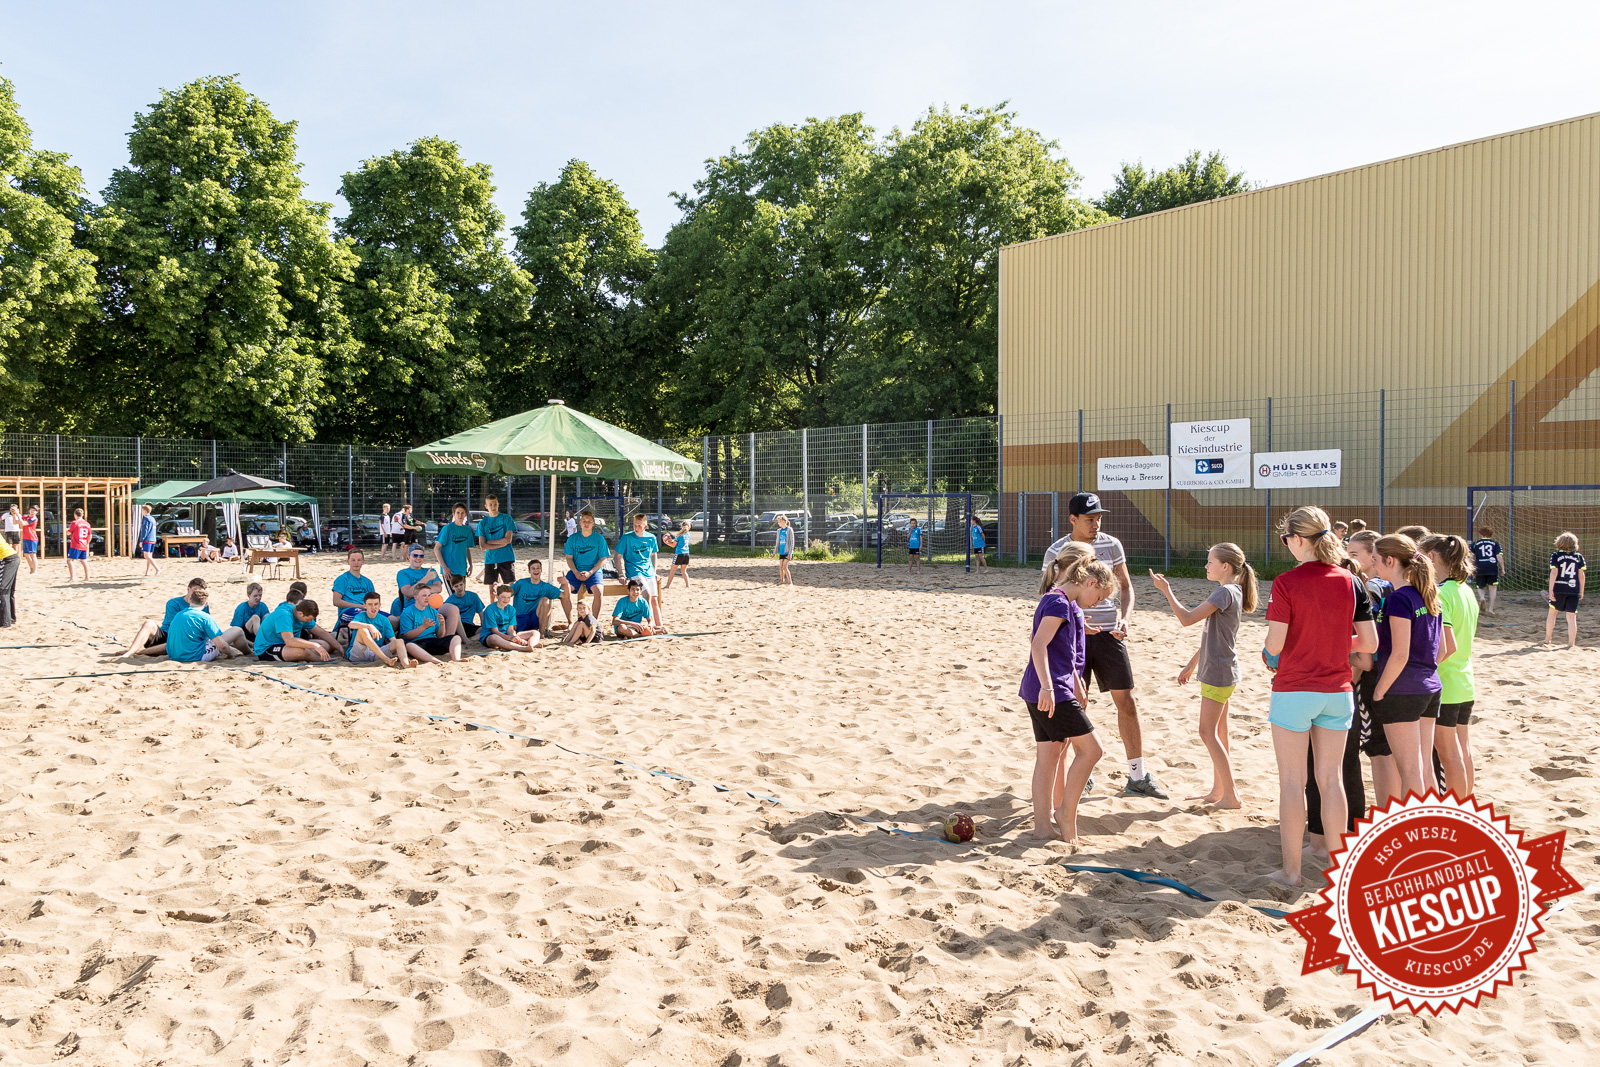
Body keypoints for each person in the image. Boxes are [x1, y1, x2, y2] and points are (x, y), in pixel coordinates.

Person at [1261, 506, 1378, 887]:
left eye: (1286, 539)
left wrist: (1269, 655)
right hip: (1338, 690)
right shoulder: (1351, 579)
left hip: (1296, 688)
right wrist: (1329, 641)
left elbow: (1275, 644)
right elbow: (1370, 643)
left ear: (1297, 539)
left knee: (1293, 783)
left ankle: (1291, 872)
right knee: (1332, 782)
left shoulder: (1287, 582)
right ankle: (1340, 869)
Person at [1041, 492, 1166, 800]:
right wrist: (1077, 623)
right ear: (1072, 519)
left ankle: (1137, 776)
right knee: (1075, 706)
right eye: (1089, 519)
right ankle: (1081, 776)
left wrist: (1125, 619)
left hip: (1110, 634)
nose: (1096, 524)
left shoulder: (1112, 544)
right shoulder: (1059, 551)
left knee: (1127, 701)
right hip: (1074, 637)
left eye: (1098, 518)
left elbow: (1126, 587)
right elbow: (1049, 598)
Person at [1150, 543, 1259, 809]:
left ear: (1226, 566)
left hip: (1219, 673)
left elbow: (1187, 619)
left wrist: (1167, 591)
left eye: (1210, 562)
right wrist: (1190, 665)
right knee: (1220, 734)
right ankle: (1218, 790)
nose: (1206, 566)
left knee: (1207, 733)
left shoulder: (1225, 592)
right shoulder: (1232, 591)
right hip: (1222, 669)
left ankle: (1231, 796)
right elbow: (1213, 635)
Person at [1020, 552, 1113, 843]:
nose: (1097, 603)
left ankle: (1042, 829)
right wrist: (1049, 686)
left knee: (1047, 758)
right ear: (1091, 582)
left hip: (1039, 689)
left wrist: (1072, 680)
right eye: (1099, 597)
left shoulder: (1062, 601)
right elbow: (1038, 645)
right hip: (1050, 692)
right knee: (1092, 751)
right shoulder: (1059, 602)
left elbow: (1063, 649)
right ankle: (1065, 815)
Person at [1369, 532, 1449, 804]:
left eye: (1376, 560)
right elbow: (1441, 649)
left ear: (1391, 560)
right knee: (1425, 766)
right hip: (1430, 686)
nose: (1374, 565)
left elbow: (1400, 653)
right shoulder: (1426, 593)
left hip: (1402, 690)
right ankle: (1434, 827)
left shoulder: (1399, 598)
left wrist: (1379, 691)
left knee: (1410, 772)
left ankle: (1411, 834)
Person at [1343, 531, 1397, 805]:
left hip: (1370, 678)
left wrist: (1351, 678)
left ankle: (1387, 812)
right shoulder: (1388, 585)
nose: (1348, 558)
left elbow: (1363, 654)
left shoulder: (1367, 589)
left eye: (1354, 555)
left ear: (1373, 557)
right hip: (1388, 674)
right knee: (1387, 750)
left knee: (1375, 750)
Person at [1422, 534, 1477, 798]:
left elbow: (1446, 647)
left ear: (1430, 557)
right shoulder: (1465, 590)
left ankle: (1455, 812)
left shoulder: (1441, 593)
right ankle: (1465, 807)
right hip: (1465, 681)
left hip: (1446, 683)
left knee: (1448, 754)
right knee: (1462, 751)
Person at [121, 577, 212, 657]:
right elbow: (173, 626)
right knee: (149, 623)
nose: (197, 593)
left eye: (200, 591)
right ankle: (130, 652)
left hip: (184, 638)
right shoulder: (174, 603)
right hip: (167, 635)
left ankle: (138, 652)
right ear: (188, 589)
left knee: (182, 640)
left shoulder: (204, 605)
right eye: (195, 589)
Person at [166, 589, 250, 662]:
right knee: (237, 630)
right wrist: (231, 654)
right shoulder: (205, 617)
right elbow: (222, 646)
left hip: (174, 656)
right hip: (195, 657)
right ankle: (249, 653)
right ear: (206, 604)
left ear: (190, 599)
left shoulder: (178, 615)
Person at [614, 512, 666, 630]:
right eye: (635, 525)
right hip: (634, 571)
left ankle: (659, 626)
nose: (636, 528)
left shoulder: (651, 538)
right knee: (646, 593)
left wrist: (654, 571)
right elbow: (617, 556)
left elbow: (653, 555)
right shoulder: (627, 537)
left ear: (645, 526)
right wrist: (621, 573)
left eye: (639, 525)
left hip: (648, 571)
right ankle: (650, 624)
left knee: (654, 599)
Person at [390, 545, 456, 633]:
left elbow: (438, 588)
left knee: (453, 609)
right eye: (415, 555)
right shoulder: (403, 573)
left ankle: (448, 639)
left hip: (433, 606)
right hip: (414, 607)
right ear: (408, 556)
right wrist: (427, 579)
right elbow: (408, 592)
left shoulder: (430, 571)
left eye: (421, 556)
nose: (418, 558)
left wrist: (416, 590)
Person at [562, 508, 611, 620]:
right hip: (576, 571)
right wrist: (575, 571)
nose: (586, 523)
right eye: (584, 521)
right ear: (580, 523)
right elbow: (569, 558)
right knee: (563, 591)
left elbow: (603, 559)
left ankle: (594, 621)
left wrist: (590, 572)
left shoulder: (599, 539)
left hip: (593, 571)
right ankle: (570, 621)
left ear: (593, 523)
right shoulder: (573, 538)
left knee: (598, 592)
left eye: (589, 521)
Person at [399, 586, 462, 664]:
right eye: (424, 595)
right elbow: (407, 636)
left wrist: (442, 624)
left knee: (456, 637)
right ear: (416, 597)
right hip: (417, 644)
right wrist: (423, 627)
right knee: (409, 646)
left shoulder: (433, 611)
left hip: (432, 641)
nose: (427, 598)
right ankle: (435, 661)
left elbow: (440, 636)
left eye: (429, 595)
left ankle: (457, 659)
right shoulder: (408, 612)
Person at [254, 597, 328, 663]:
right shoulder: (285, 615)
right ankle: (319, 659)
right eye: (308, 619)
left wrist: (339, 648)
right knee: (302, 651)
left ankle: (300, 658)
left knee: (324, 645)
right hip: (267, 648)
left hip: (284, 644)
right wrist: (315, 647)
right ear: (300, 614)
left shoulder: (298, 612)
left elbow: (321, 632)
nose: (309, 621)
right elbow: (289, 641)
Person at [347, 591, 410, 668]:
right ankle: (386, 659)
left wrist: (399, 652)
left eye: (376, 604)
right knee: (363, 630)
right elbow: (351, 624)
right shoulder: (361, 616)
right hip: (359, 654)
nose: (373, 607)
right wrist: (369, 626)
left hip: (377, 653)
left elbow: (393, 640)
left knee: (399, 641)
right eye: (370, 604)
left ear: (379, 605)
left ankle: (406, 664)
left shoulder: (384, 620)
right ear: (365, 606)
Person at [1547, 531, 1585, 648]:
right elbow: (1581, 575)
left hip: (1559, 588)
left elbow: (1554, 573)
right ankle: (1571, 643)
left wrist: (1550, 590)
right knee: (1571, 617)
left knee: (1552, 613)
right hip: (1573, 590)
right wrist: (1581, 591)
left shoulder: (1556, 555)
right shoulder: (1578, 557)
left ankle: (1547, 639)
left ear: (1559, 543)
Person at [330, 548, 377, 641]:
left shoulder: (367, 582)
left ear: (363, 562)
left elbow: (374, 600)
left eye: (359, 560)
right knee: (364, 616)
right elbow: (336, 601)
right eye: (353, 560)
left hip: (366, 609)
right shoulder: (342, 579)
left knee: (392, 619)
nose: (356, 563)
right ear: (348, 562)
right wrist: (360, 606)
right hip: (348, 611)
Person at [513, 558, 563, 635]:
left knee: (546, 600)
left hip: (535, 618)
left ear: (541, 570)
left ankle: (542, 633)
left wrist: (566, 583)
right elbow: (506, 594)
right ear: (529, 571)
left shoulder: (546, 586)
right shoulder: (521, 583)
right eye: (533, 568)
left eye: (538, 568)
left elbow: (564, 595)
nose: (536, 570)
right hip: (520, 618)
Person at [476, 495, 517, 590]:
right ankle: (492, 605)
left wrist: (491, 542)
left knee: (512, 587)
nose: (493, 507)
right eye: (490, 505)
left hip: (506, 557)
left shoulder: (506, 518)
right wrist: (501, 544)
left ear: (498, 504)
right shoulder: (483, 523)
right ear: (486, 506)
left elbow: (508, 539)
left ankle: (515, 605)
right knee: (492, 590)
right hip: (491, 559)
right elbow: (482, 546)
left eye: (495, 504)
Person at [482, 584, 539, 652]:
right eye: (503, 597)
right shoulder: (490, 610)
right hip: (491, 635)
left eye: (508, 597)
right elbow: (495, 631)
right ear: (497, 596)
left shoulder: (511, 609)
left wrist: (514, 636)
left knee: (535, 632)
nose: (506, 600)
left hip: (507, 634)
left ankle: (531, 645)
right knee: (494, 638)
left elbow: (510, 629)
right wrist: (509, 638)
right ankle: (522, 647)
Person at [434, 502, 475, 587]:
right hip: (450, 570)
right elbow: (436, 548)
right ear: (453, 514)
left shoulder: (467, 529)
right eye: (458, 513)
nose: (460, 515)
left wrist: (470, 565)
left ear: (465, 514)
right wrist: (444, 568)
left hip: (462, 568)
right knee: (453, 597)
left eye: (462, 513)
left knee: (461, 596)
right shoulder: (448, 528)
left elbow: (466, 549)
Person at [1469, 525, 1505, 615]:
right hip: (1491, 567)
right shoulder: (1495, 544)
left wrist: (1471, 567)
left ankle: (1482, 598)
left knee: (1480, 586)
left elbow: (1472, 557)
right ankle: (1490, 609)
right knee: (1493, 588)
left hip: (1480, 566)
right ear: (1491, 535)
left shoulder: (1475, 544)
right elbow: (1499, 556)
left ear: (1481, 534)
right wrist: (1503, 569)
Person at [446, 573, 486, 639]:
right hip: (457, 626)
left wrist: (483, 627)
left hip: (469, 625)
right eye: (456, 586)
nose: (459, 588)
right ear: (452, 588)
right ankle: (468, 639)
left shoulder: (473, 596)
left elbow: (481, 614)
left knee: (487, 630)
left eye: (461, 585)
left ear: (464, 584)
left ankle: (470, 640)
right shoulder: (450, 601)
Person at [663, 520, 692, 589]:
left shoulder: (679, 535)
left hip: (679, 554)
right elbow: (679, 541)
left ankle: (667, 585)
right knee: (684, 571)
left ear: (681, 526)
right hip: (686, 554)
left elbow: (673, 545)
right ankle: (687, 585)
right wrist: (671, 540)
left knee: (672, 571)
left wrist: (666, 542)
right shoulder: (688, 534)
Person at [66, 508, 91, 581]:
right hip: (84, 544)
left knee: (70, 560)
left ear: (75, 515)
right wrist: (87, 543)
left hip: (76, 544)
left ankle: (72, 577)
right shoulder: (87, 524)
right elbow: (90, 535)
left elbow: (69, 533)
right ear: (82, 515)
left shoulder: (74, 523)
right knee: (83, 560)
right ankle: (87, 577)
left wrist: (66, 531)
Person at [136, 504, 161, 576]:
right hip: (153, 538)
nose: (141, 512)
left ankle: (157, 569)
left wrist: (141, 540)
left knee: (146, 556)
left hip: (148, 539)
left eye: (142, 511)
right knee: (149, 556)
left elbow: (145, 530)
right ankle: (147, 572)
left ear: (144, 511)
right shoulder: (152, 518)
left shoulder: (146, 518)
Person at [0, 534, 17, 628]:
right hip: (10, 559)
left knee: (3, 590)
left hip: (9, 560)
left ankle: (5, 621)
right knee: (8, 590)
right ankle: (11, 618)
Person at [20, 506, 38, 574]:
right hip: (25, 537)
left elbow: (23, 523)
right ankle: (31, 568)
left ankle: (35, 570)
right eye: (31, 509)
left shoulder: (34, 518)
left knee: (33, 554)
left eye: (34, 510)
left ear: (36, 512)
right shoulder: (25, 516)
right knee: (26, 555)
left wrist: (17, 515)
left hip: (32, 538)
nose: (32, 511)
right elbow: (16, 522)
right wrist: (15, 514)